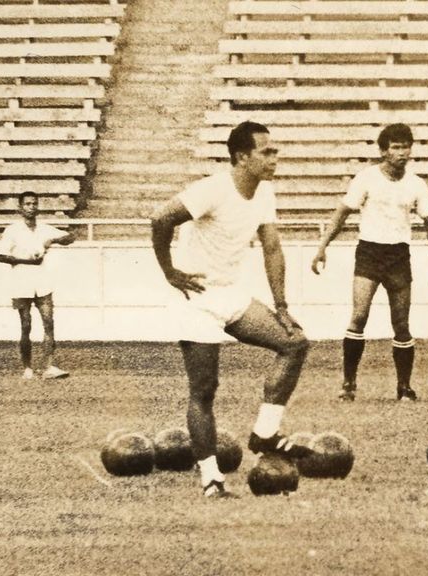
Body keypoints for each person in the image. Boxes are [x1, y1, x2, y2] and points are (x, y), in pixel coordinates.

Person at [151, 121, 313, 498]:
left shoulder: (264, 193)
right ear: (242, 157)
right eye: (266, 151)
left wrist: (282, 305)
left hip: (230, 294)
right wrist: (170, 272)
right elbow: (161, 218)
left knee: (295, 343)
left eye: (274, 151)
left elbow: (272, 247)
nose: (275, 157)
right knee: (205, 389)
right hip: (195, 298)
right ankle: (211, 479)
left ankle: (265, 434)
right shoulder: (213, 189)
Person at [311, 123, 428, 402]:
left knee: (401, 323)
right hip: (369, 253)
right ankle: (348, 384)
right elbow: (342, 213)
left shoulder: (416, 184)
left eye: (405, 146)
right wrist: (322, 246)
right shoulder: (366, 178)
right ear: (384, 151)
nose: (402, 152)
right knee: (359, 317)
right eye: (396, 147)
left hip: (398, 255)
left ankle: (404, 387)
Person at [0, 191, 75, 380]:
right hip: (21, 283)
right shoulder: (13, 230)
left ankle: (48, 366)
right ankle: (28, 367)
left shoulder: (44, 229)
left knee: (49, 323)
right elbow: (2, 256)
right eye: (27, 204)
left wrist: (52, 240)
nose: (31, 207)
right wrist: (27, 260)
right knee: (26, 326)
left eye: (34, 203)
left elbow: (71, 237)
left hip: (42, 283)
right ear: (20, 208)